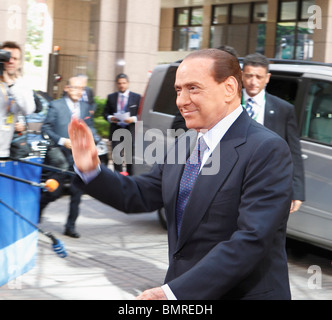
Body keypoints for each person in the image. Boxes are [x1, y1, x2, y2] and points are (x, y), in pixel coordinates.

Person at [68, 49, 293, 300]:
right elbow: (140, 194)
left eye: (193, 88)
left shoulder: (266, 148)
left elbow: (251, 240)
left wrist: (174, 293)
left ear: (229, 88)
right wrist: (91, 169)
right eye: (178, 90)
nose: (181, 101)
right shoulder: (186, 142)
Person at [242, 53, 305, 213]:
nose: (253, 82)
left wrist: (296, 190)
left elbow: (293, 151)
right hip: (231, 181)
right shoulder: (227, 103)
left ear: (267, 78)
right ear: (242, 75)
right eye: (249, 76)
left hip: (266, 183)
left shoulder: (283, 109)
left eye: (258, 76)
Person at [41, 76, 96, 238]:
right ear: (67, 88)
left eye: (82, 89)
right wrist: (62, 141)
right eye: (75, 88)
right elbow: (46, 128)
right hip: (59, 155)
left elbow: (90, 127)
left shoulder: (85, 107)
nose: (78, 92)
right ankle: (38, 209)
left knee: (77, 192)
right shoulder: (56, 106)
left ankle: (70, 226)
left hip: (78, 155)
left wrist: (93, 140)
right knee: (54, 191)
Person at [0, 41, 35, 159]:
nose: (11, 61)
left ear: (20, 62)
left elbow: (29, 109)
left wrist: (11, 85)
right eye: (7, 57)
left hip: (4, 151)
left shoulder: (22, 85)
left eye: (15, 58)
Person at [103, 73, 141, 175]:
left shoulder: (136, 97)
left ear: (128, 83)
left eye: (124, 83)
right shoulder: (111, 97)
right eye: (119, 83)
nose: (122, 85)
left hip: (130, 131)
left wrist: (133, 119)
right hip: (116, 130)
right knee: (117, 159)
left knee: (130, 160)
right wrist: (111, 118)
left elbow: (141, 114)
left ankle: (131, 181)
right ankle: (118, 181)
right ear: (116, 84)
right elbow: (105, 113)